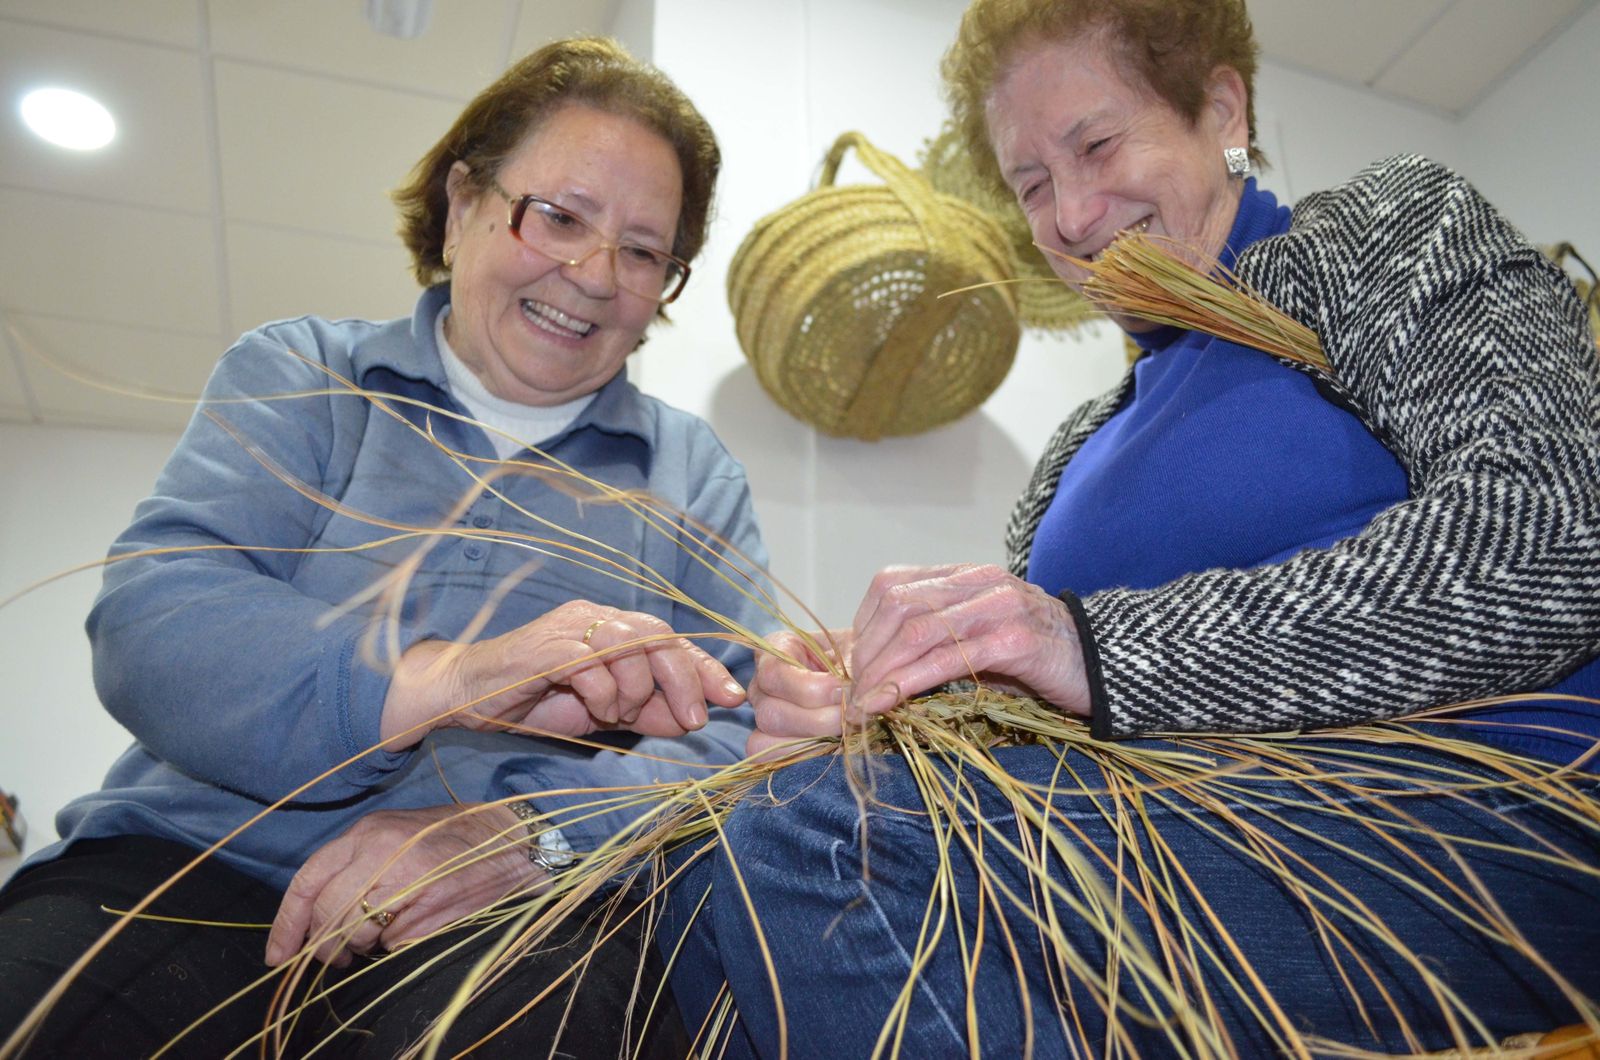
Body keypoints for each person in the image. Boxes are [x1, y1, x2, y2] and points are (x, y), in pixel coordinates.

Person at [660, 0, 1600, 1055]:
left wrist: (1094, 645)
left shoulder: (1384, 235)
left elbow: (1550, 537)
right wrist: (889, 701)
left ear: (1219, 105)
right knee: (710, 886)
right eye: (1029, 185)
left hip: (1478, 824)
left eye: (1096, 143)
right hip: (1171, 840)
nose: (1066, 214)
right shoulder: (1074, 449)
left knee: (820, 845)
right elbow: (1053, 729)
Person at [0, 36, 770, 1058]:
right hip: (182, 867)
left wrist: (524, 837)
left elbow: (743, 734)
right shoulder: (303, 373)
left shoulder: (693, 472)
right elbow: (157, 619)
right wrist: (447, 678)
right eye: (561, 216)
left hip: (507, 914)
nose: (593, 275)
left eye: (642, 251)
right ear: (461, 203)